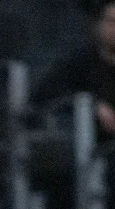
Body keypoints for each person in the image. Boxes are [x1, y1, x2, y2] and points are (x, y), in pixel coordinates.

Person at [35, 1, 115, 138]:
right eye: (111, 22)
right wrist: (93, 105)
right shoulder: (81, 62)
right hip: (91, 144)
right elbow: (47, 91)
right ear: (99, 24)